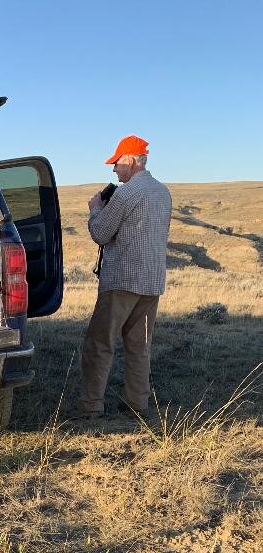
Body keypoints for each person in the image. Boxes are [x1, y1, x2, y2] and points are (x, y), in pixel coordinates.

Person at [74, 134, 172, 417]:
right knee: (139, 346)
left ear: (129, 160)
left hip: (121, 280)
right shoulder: (163, 192)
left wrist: (95, 211)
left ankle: (91, 406)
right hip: (152, 281)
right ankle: (137, 403)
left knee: (100, 343)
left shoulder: (126, 193)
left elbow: (101, 233)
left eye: (116, 164)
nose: (114, 170)